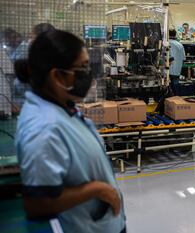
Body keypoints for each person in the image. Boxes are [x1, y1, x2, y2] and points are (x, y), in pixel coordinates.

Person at [14, 30, 126, 233]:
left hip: (101, 222)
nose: (88, 74)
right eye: (82, 68)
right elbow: (38, 203)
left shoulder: (59, 106)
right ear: (57, 75)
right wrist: (97, 189)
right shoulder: (44, 128)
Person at [169, 29, 185, 95]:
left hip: (169, 70)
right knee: (176, 90)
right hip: (177, 70)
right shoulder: (180, 44)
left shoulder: (168, 43)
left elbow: (168, 58)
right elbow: (184, 57)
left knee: (169, 90)